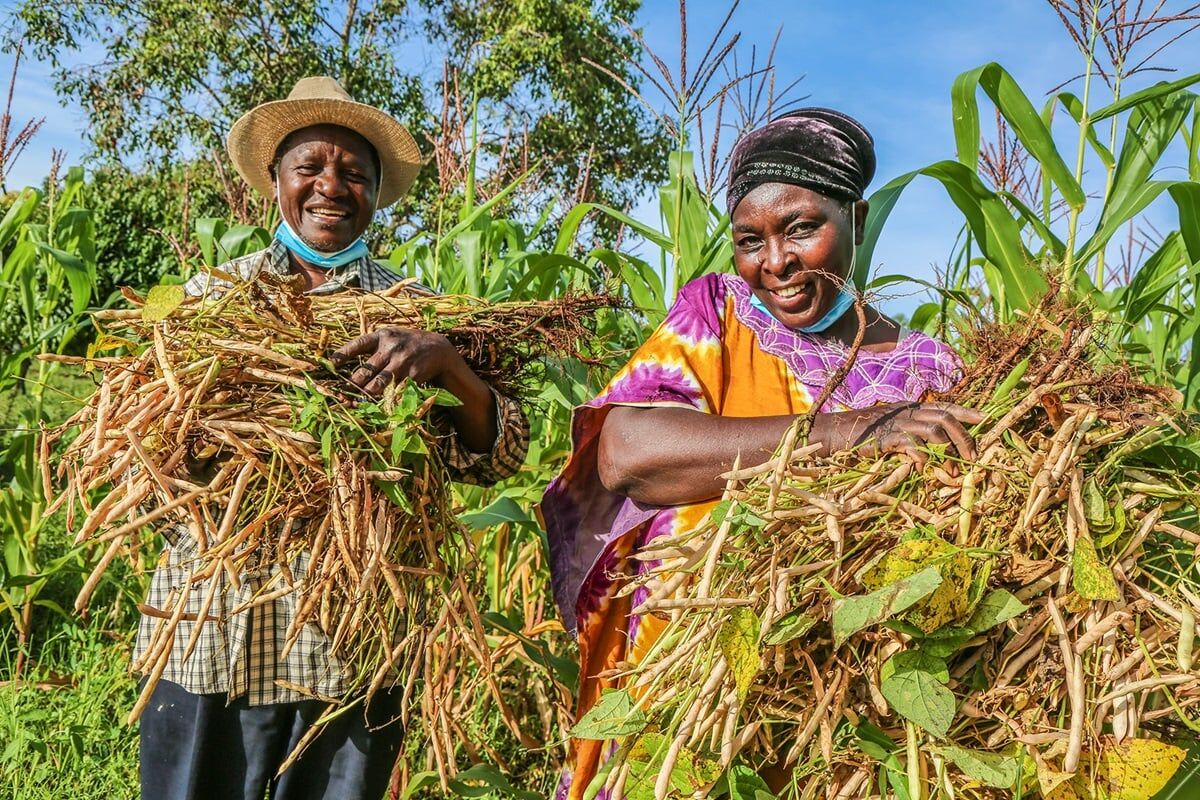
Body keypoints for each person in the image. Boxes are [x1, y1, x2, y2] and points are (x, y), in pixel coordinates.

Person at [540, 108, 984, 798]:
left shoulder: (931, 372)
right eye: (751, 240)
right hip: (682, 691)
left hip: (843, 718)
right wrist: (846, 431)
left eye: (802, 227)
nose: (774, 263)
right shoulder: (716, 313)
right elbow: (629, 454)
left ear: (858, 221)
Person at [136, 76, 530, 800]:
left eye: (354, 173)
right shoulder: (209, 302)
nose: (331, 187)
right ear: (275, 183)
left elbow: (500, 456)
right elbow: (148, 458)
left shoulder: (416, 314)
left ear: (377, 194)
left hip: (348, 646)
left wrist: (449, 369)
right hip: (210, 632)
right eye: (310, 168)